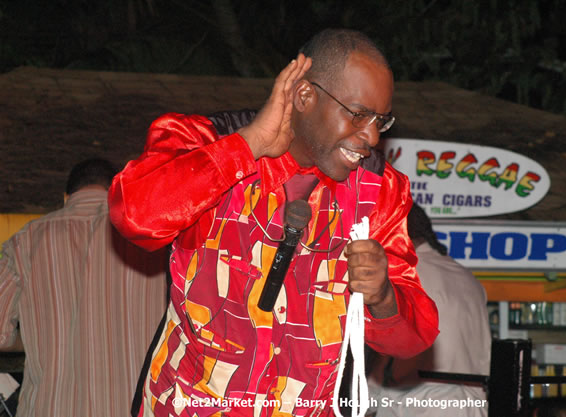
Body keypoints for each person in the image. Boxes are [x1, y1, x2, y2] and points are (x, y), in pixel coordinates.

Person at [108, 29, 439, 417]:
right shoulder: (207, 141)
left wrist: (383, 296)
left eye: (380, 121)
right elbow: (135, 214)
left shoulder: (379, 191)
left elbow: (414, 338)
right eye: (358, 114)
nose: (370, 136)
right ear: (304, 96)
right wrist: (247, 146)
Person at [0, 158, 168, 417]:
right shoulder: (156, 242)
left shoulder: (24, 243)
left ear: (66, 197)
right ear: (118, 191)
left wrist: (34, 337)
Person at [366, 204, 491, 417]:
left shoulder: (405, 276)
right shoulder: (467, 278)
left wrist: (367, 397)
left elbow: (389, 346)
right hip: (472, 403)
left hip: (421, 403)